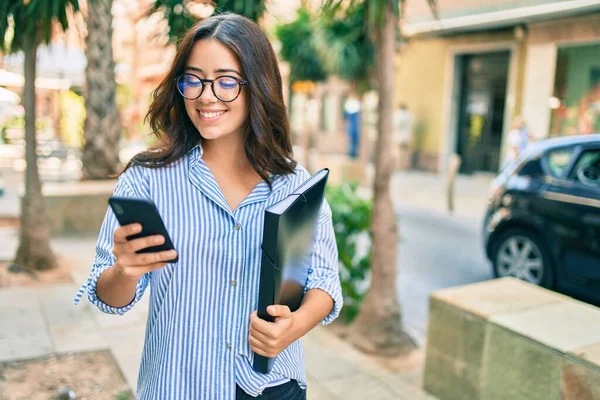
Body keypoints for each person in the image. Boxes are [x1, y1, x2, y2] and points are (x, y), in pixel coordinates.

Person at [73, 13, 342, 400]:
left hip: (271, 387)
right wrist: (124, 270)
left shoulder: (294, 182)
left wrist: (295, 324)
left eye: (226, 81)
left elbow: (324, 280)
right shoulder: (147, 179)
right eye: (193, 79)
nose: (206, 95)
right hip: (177, 387)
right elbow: (109, 297)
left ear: (258, 86)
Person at [343, 94, 361, 159]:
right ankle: (352, 154)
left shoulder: (355, 109)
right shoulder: (352, 109)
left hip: (355, 129)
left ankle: (353, 154)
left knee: (354, 142)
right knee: (352, 142)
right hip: (352, 129)